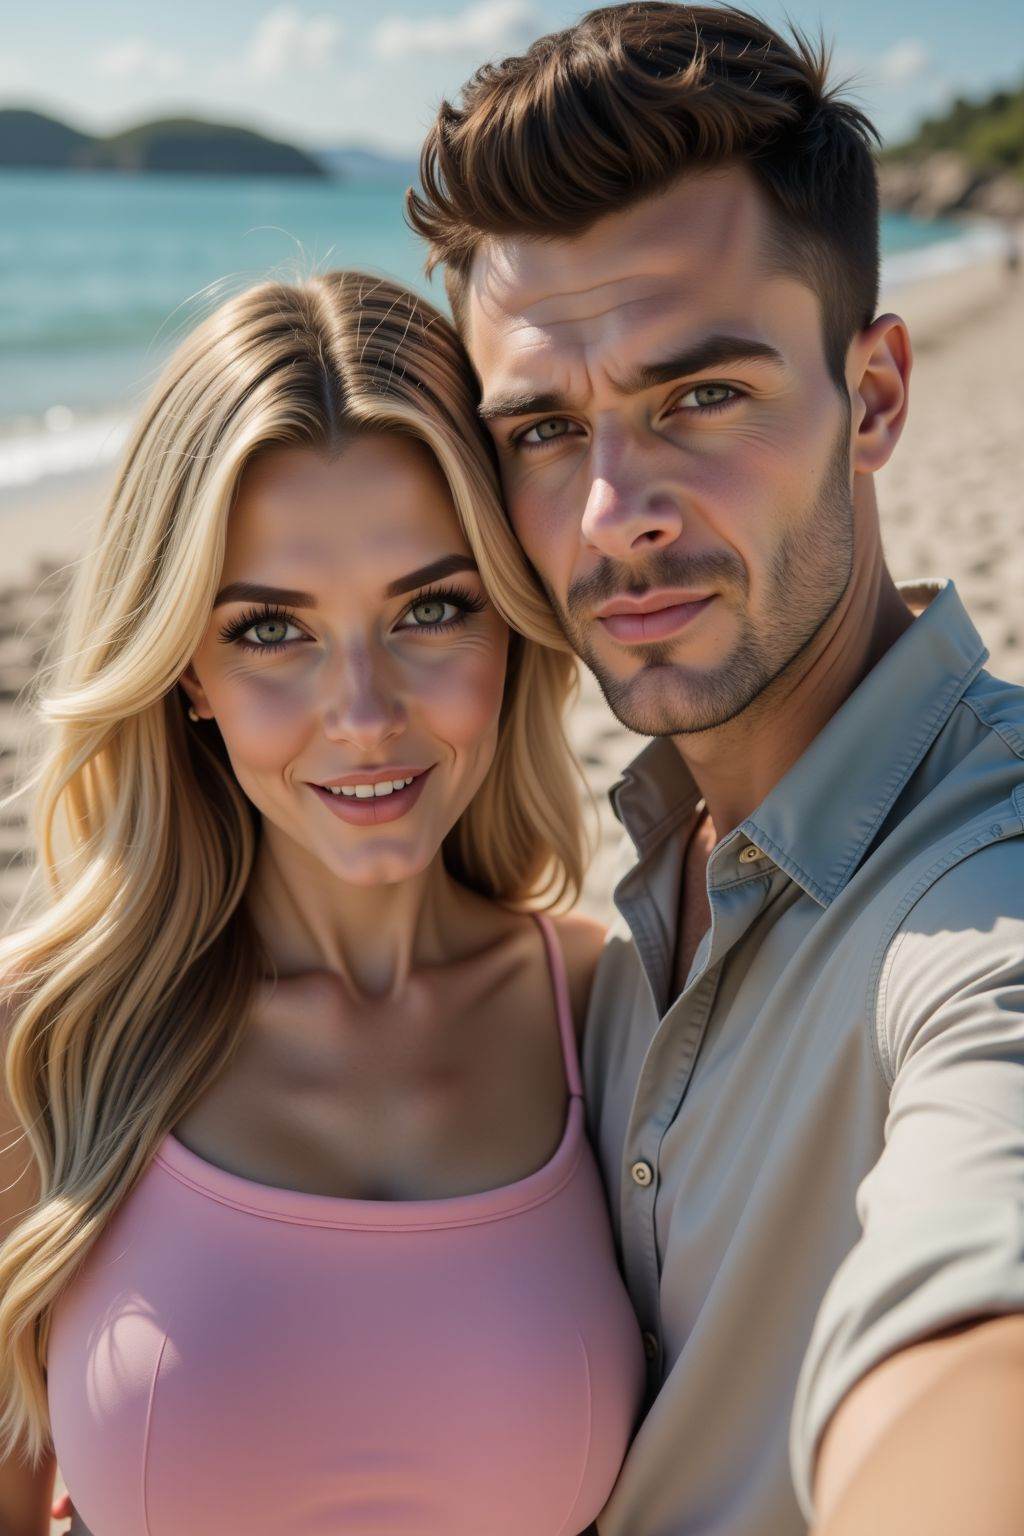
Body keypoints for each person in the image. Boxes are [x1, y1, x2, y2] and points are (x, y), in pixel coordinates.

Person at [407, 4, 1024, 1533]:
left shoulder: (983, 886)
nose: (613, 509)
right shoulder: (631, 900)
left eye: (700, 397)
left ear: (874, 399)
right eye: (545, 429)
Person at [0, 271, 646, 1536]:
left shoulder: (611, 1013)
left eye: (431, 609)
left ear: (512, 624)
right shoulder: (44, 1043)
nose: (362, 714)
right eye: (270, 630)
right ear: (185, 667)